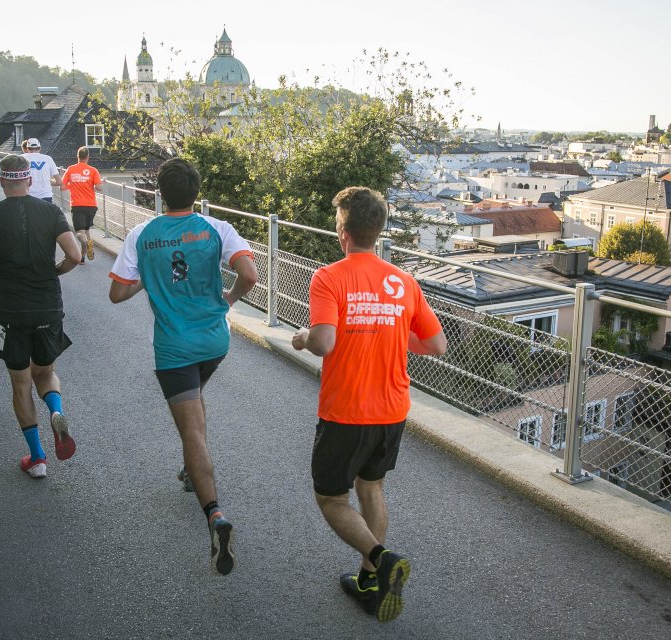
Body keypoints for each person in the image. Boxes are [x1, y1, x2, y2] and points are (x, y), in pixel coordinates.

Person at [290, 186, 446, 623]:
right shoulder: (403, 282)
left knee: (331, 498)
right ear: (377, 232)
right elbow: (437, 344)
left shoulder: (329, 277)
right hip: (393, 409)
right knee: (371, 488)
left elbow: (322, 341)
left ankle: (381, 558)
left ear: (343, 232)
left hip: (347, 411)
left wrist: (303, 337)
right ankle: (368, 583)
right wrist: (391, 333)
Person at [108, 158, 257, 575]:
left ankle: (214, 515)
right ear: (196, 191)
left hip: (174, 347)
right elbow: (250, 274)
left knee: (190, 428)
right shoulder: (217, 229)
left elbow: (117, 294)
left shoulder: (142, 233)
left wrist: (147, 280)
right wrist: (226, 302)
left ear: (159, 191)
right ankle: (190, 468)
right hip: (215, 341)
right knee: (195, 400)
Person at [0, 154, 82, 479]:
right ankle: (57, 412)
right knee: (46, 373)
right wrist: (55, 270)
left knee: (21, 381)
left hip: (12, 311)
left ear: (1, 181)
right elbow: (75, 255)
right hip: (48, 306)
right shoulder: (50, 212)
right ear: (30, 180)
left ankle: (37, 459)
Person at [62, 146, 103, 264]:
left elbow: (63, 186)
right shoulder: (93, 170)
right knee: (86, 230)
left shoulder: (70, 169)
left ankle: (87, 243)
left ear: (77, 156)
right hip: (91, 206)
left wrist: (72, 184)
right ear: (88, 157)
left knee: (80, 233)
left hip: (77, 205)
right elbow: (99, 188)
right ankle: (82, 258)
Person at [21, 138, 60, 202]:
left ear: (27, 149)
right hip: (46, 196)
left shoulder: (21, 158)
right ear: (39, 148)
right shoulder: (48, 159)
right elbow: (59, 182)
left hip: (27, 195)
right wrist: (46, 181)